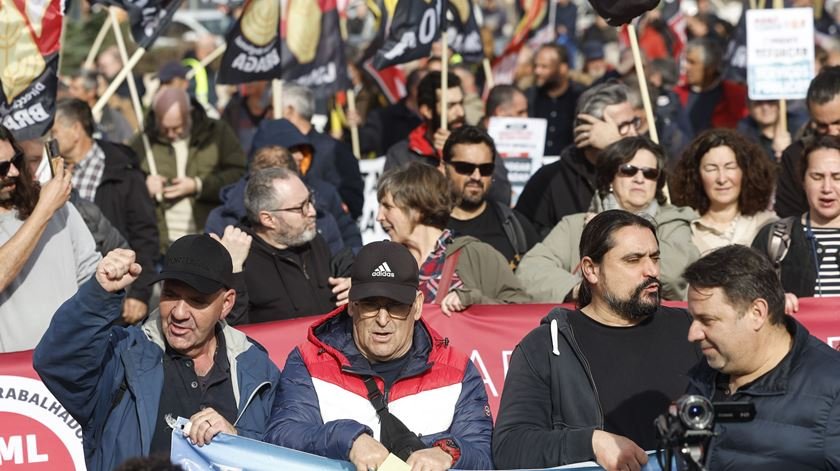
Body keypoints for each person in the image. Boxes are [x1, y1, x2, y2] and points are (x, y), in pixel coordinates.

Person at [33, 235, 280, 470]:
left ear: (226, 304)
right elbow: (57, 362)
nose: (179, 313)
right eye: (170, 295)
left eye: (197, 301)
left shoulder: (257, 368)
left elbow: (286, 454)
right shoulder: (122, 356)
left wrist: (237, 441)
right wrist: (99, 294)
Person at [494, 210, 702, 470]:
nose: (651, 271)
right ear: (591, 270)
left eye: (655, 258)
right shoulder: (546, 346)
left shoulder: (692, 330)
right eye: (633, 260)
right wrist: (592, 442)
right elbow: (510, 447)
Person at [264, 241, 493, 471]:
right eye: (370, 304)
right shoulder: (308, 360)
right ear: (352, 305)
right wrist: (348, 439)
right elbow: (281, 436)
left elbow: (483, 454)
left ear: (418, 306)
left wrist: (448, 452)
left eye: (395, 306)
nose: (382, 319)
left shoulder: (458, 370)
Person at [683, 245, 840, 469]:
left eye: (707, 320)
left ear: (757, 313)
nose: (693, 334)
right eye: (693, 319)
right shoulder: (703, 377)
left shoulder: (833, 392)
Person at [517, 137, 698, 302]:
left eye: (650, 173)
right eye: (628, 170)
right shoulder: (576, 225)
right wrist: (581, 290)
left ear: (658, 182)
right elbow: (530, 271)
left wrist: (602, 281)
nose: (639, 179)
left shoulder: (673, 221)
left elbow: (673, 277)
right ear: (610, 178)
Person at [53, 98, 160, 323]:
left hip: (117, 289)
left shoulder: (122, 170)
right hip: (73, 290)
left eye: (54, 131)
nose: (49, 139)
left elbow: (145, 234)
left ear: (75, 130)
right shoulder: (53, 172)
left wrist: (140, 293)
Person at [377, 162, 531, 315]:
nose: (379, 217)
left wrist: (474, 301)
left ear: (418, 208)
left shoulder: (475, 253)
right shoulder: (386, 262)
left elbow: (520, 312)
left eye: (387, 207)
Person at [0, 125, 100, 352]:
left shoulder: (57, 207)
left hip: (71, 360)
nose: (14, 172)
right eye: (2, 168)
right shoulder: (48, 206)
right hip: (12, 375)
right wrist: (44, 210)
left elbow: (90, 274)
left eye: (16, 161)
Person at [515, 81, 641, 236]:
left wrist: (617, 149)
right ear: (588, 127)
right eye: (624, 126)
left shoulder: (644, 174)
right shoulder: (549, 179)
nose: (634, 133)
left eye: (635, 123)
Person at [232, 167, 352, 324]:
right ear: (268, 219)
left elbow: (344, 266)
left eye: (310, 200)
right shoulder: (240, 260)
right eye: (300, 207)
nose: (312, 211)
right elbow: (235, 332)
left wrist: (356, 286)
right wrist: (234, 271)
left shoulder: (313, 240)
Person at [132, 87, 246, 253]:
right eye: (164, 129)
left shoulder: (217, 133)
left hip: (207, 237)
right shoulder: (143, 141)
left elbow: (239, 175)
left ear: (189, 113)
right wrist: (143, 186)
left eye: (177, 127)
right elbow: (124, 182)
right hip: (162, 243)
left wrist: (198, 185)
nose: (171, 134)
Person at [384, 72, 512, 205]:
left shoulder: (480, 145)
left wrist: (461, 155)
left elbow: (502, 196)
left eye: (461, 103)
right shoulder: (401, 154)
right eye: (450, 106)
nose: (460, 112)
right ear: (426, 110)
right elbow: (396, 204)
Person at [205, 145, 356, 256]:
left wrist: (348, 279)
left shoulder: (320, 221)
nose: (311, 212)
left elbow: (344, 257)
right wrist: (234, 265)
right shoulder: (224, 221)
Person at [753, 135, 840, 312]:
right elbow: (745, 298)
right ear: (803, 181)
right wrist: (774, 301)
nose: (827, 188)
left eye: (837, 177)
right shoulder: (775, 237)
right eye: (817, 177)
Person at [670, 129, 777, 255]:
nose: (722, 179)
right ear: (696, 175)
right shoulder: (684, 230)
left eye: (730, 167)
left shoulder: (768, 226)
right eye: (711, 168)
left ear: (746, 171)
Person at [444, 126, 538, 270]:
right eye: (465, 168)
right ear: (443, 167)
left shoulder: (514, 225)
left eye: (485, 169)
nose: (476, 177)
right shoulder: (427, 226)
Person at [282, 83, 365, 220]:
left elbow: (352, 202)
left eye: (273, 108)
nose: (268, 115)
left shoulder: (335, 150)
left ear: (289, 111)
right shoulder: (275, 150)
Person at [775, 66, 840, 218]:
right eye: (822, 125)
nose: (831, 132)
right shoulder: (795, 156)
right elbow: (789, 215)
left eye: (838, 122)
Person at [675, 38, 748, 133]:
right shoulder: (677, 94)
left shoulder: (735, 95)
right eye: (686, 61)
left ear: (710, 68)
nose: (685, 66)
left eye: (692, 62)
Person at [525, 44, 586, 156]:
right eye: (536, 66)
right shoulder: (529, 96)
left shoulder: (580, 97)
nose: (537, 71)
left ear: (562, 68)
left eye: (544, 67)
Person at [67, 69, 134, 144]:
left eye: (75, 89)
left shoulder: (113, 117)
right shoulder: (67, 117)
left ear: (91, 92)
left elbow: (128, 142)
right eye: (69, 88)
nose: (70, 92)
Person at [737, 99, 807, 161]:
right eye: (758, 102)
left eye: (771, 101)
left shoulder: (801, 127)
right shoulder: (743, 134)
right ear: (749, 106)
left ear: (781, 103)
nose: (765, 108)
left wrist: (791, 152)